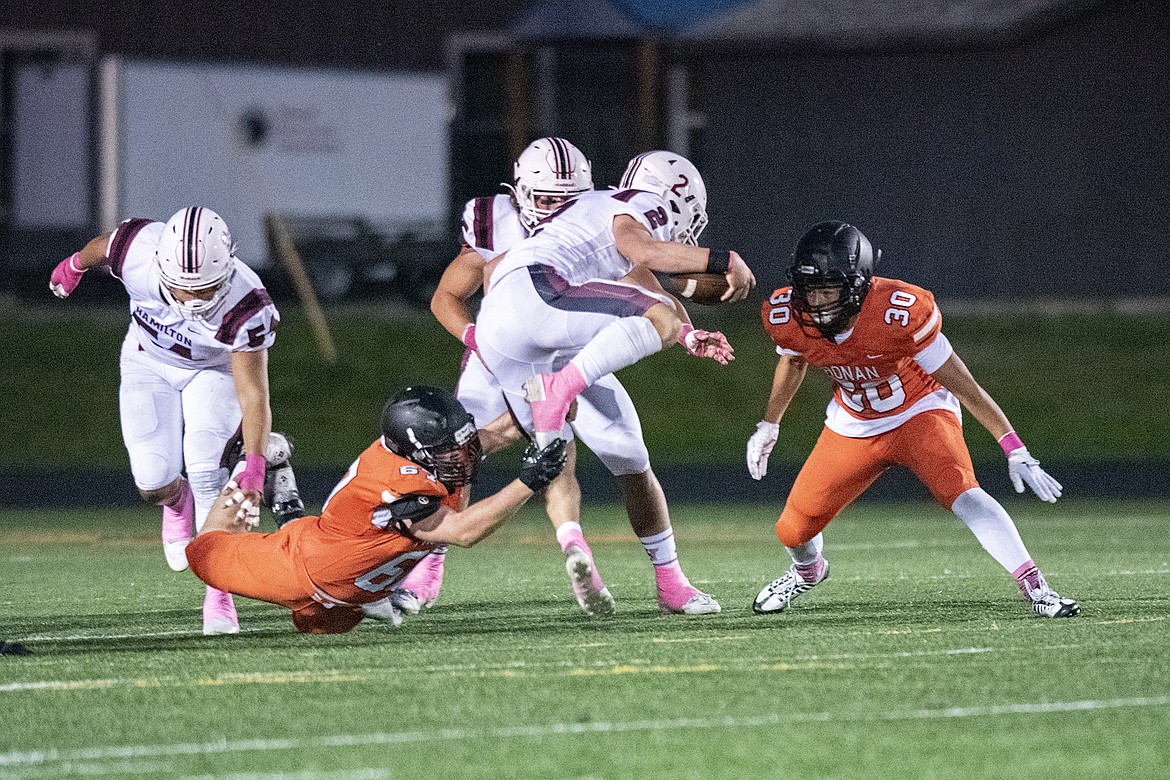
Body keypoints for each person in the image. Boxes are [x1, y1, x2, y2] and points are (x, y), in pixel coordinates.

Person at [470, 149, 757, 615]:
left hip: (508, 331)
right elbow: (645, 253)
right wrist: (726, 258)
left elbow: (651, 295)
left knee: (607, 452)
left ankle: (631, 571)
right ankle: (561, 390)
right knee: (650, 334)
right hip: (539, 295)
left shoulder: (589, 219)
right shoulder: (635, 206)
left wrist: (687, 334)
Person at [746, 220, 1080, 618]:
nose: (816, 302)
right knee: (792, 530)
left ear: (857, 285)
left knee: (962, 493)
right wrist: (770, 423)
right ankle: (808, 571)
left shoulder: (898, 311)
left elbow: (966, 387)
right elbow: (793, 360)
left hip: (918, 412)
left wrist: (1014, 447)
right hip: (853, 424)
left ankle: (1036, 587)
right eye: (809, 290)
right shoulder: (787, 315)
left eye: (828, 290)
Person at [48, 207, 291, 634]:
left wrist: (253, 468)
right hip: (147, 360)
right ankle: (176, 502)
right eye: (184, 290)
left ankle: (219, 592)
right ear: (160, 266)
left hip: (212, 372)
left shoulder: (246, 303)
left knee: (205, 465)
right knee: (151, 480)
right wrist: (72, 265)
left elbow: (254, 393)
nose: (195, 301)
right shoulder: (138, 251)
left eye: (207, 289)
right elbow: (100, 248)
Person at [186, 386, 567, 634]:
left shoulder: (423, 457)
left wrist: (547, 402)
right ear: (412, 451)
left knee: (317, 628)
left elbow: (493, 435)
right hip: (300, 568)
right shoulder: (394, 481)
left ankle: (286, 500)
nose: (462, 455)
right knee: (203, 554)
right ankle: (260, 460)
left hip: (348, 584)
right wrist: (528, 482)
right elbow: (463, 532)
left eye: (458, 444)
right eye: (448, 450)